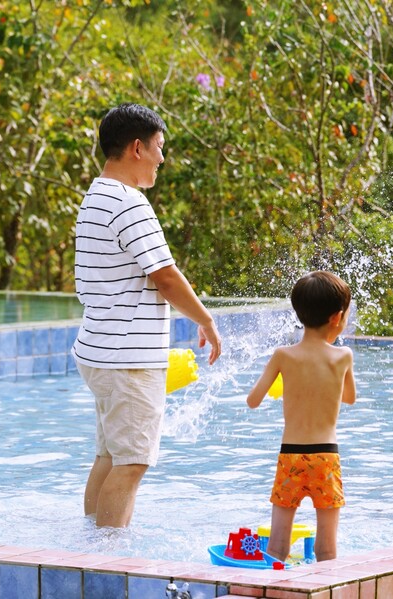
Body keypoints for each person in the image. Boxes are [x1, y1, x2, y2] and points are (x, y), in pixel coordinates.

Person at [72, 103, 222, 528]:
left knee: (110, 456)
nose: (162, 158)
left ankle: (89, 547)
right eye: (159, 148)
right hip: (128, 359)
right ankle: (109, 563)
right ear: (137, 148)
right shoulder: (129, 202)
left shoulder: (95, 195)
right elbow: (165, 276)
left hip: (100, 351)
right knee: (132, 464)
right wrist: (206, 320)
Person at [246, 271, 356, 562]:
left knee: (278, 546)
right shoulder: (343, 356)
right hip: (325, 458)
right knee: (327, 550)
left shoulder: (283, 355)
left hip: (291, 457)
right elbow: (349, 398)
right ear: (337, 317)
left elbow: (252, 400)